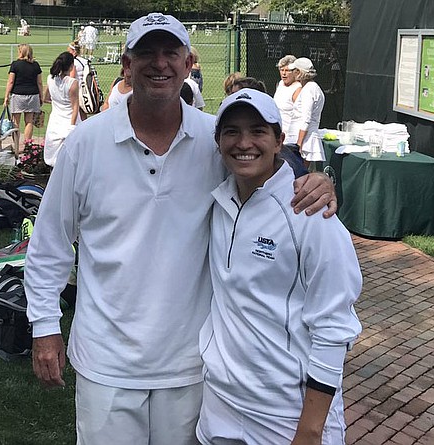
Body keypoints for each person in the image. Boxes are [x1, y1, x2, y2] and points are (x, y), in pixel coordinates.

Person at [24, 12, 336, 445]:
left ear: (189, 64)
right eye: (146, 53)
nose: (160, 63)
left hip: (193, 366)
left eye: (171, 52)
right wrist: (44, 325)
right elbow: (50, 245)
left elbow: (268, 171)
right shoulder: (86, 143)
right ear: (127, 66)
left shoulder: (216, 141)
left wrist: (319, 181)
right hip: (106, 362)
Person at [197, 88, 362, 445]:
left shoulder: (313, 215)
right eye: (232, 132)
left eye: (258, 131)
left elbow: (334, 328)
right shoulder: (218, 199)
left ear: (279, 141)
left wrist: (310, 430)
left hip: (286, 416)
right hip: (220, 406)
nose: (244, 143)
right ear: (217, 141)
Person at [4, 43, 43, 153]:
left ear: (21, 52)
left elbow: (11, 81)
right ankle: (27, 146)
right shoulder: (36, 65)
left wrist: (6, 95)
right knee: (29, 121)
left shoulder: (15, 65)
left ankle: (16, 147)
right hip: (33, 94)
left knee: (15, 121)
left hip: (18, 95)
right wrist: (41, 96)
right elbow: (39, 82)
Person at [42, 52, 79, 167]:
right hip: (68, 122)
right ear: (71, 66)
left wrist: (57, 101)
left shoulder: (50, 78)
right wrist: (72, 127)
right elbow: (75, 107)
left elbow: (45, 98)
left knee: (54, 159)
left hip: (55, 122)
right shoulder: (72, 83)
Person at [288, 57, 326, 166]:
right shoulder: (311, 88)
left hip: (303, 141)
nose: (291, 73)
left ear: (299, 72)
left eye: (294, 70)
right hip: (303, 139)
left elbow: (306, 119)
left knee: (298, 175)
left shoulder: (309, 90)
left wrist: (299, 144)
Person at [274, 55, 304, 160]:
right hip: (277, 134)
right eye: (281, 70)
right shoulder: (280, 84)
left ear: (295, 72)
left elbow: (302, 116)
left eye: (287, 70)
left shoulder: (298, 88)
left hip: (290, 139)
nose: (284, 73)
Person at [67, 41, 90, 119]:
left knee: (76, 111)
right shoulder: (85, 61)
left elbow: (71, 78)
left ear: (73, 51)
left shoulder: (74, 62)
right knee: (83, 113)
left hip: (78, 90)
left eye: (69, 51)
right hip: (85, 90)